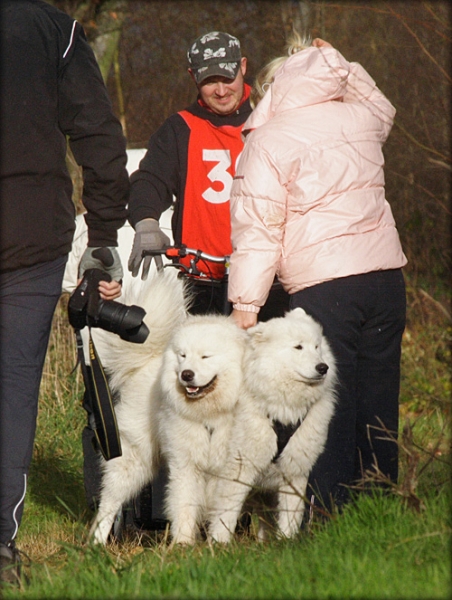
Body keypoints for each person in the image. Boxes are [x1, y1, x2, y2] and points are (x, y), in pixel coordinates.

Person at [228, 34, 407, 513]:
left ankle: (329, 516)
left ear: (270, 89)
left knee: (329, 407)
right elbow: (384, 109)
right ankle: (380, 508)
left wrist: (245, 305)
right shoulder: (358, 118)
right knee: (377, 399)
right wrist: (345, 65)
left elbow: (259, 230)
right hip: (388, 279)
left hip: (329, 287)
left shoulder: (268, 139)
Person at [0, 0, 129, 585]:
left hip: (29, 242)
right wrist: (101, 238)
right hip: (29, 238)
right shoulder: (55, 28)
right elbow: (100, 138)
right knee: (13, 390)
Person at [127, 30, 290, 319]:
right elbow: (150, 179)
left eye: (227, 78)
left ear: (243, 67)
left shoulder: (274, 116)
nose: (221, 90)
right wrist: (146, 221)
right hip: (202, 281)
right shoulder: (180, 129)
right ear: (193, 77)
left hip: (270, 279)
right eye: (209, 81)